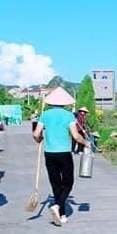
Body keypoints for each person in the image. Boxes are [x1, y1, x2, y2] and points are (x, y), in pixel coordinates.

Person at [33, 87, 92, 226]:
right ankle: (59, 207)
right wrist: (86, 143)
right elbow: (76, 136)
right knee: (68, 182)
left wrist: (40, 139)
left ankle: (62, 213)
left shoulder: (45, 115)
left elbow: (36, 135)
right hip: (64, 154)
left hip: (49, 153)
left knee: (56, 184)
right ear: (65, 103)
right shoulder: (68, 116)